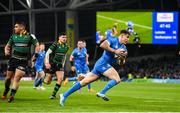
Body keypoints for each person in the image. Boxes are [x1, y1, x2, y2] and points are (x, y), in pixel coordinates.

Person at [59, 30, 130, 106]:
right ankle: (102, 92)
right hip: (102, 63)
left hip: (102, 65)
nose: (128, 39)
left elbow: (121, 63)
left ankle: (64, 95)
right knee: (117, 79)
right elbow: (102, 45)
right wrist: (115, 51)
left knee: (84, 82)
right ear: (122, 36)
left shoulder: (124, 48)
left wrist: (122, 58)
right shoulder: (113, 40)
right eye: (127, 37)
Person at [2, 21, 39, 102]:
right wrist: (6, 51)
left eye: (16, 27)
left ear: (22, 27)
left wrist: (35, 55)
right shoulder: (13, 36)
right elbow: (7, 46)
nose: (14, 28)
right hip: (13, 59)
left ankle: (12, 95)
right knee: (8, 78)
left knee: (17, 78)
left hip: (23, 61)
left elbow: (37, 45)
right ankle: (6, 90)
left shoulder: (30, 36)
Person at [44, 33, 69, 99]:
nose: (64, 38)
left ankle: (53, 95)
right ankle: (41, 79)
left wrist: (63, 64)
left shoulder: (67, 46)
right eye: (63, 37)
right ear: (59, 38)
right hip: (52, 64)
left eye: (65, 37)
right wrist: (47, 62)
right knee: (47, 82)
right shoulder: (55, 44)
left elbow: (65, 56)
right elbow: (47, 53)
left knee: (60, 79)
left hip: (59, 65)